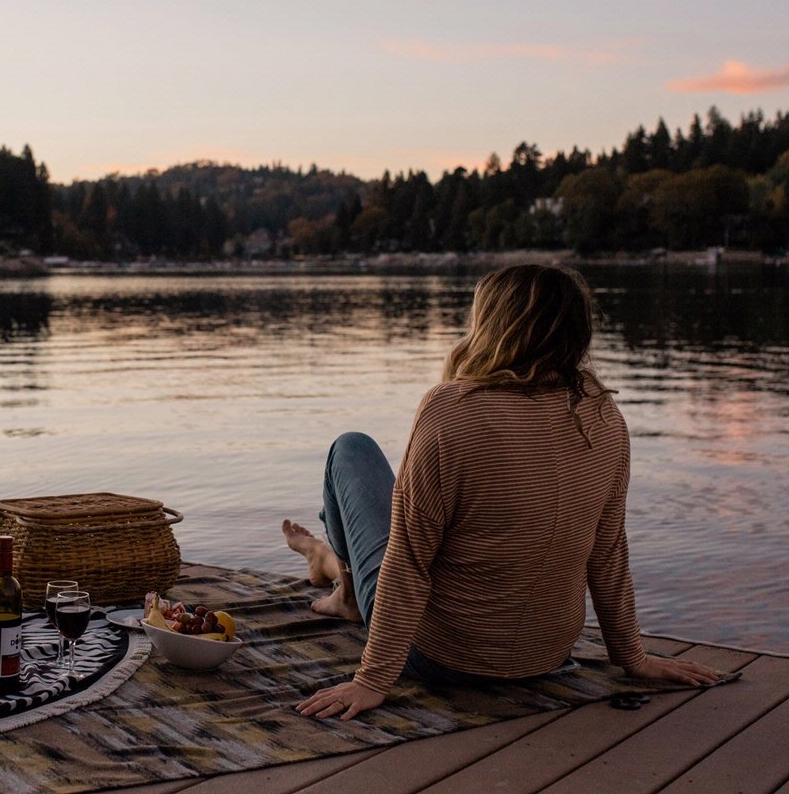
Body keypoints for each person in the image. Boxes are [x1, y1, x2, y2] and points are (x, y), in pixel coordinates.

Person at [286, 263, 722, 721]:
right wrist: (632, 657)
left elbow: (410, 561)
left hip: (440, 658)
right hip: (545, 657)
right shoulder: (603, 414)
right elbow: (607, 551)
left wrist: (371, 679)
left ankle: (349, 594)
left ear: (493, 327)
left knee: (351, 449)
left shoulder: (450, 408)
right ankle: (331, 568)